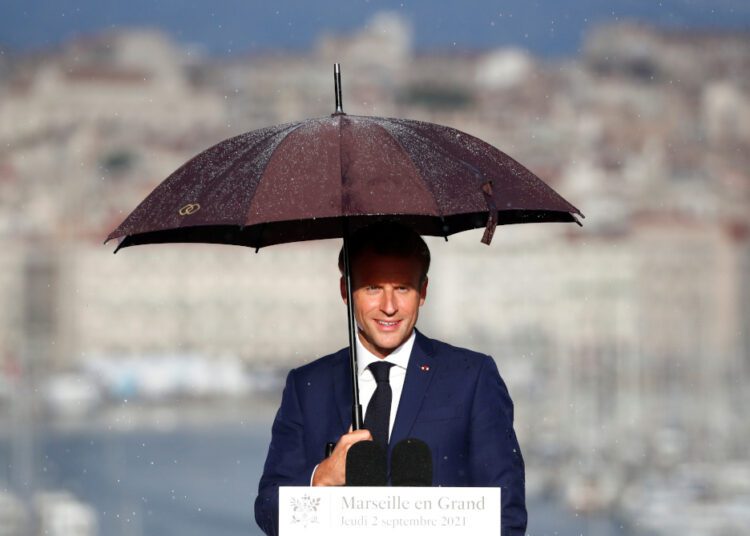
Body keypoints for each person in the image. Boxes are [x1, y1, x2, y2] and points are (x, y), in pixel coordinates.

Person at [254, 223, 527, 535]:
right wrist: (322, 478)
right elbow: (268, 511)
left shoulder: (471, 377)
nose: (389, 307)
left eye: (402, 288)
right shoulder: (307, 386)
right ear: (346, 291)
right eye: (372, 288)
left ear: (423, 292)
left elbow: (506, 511)